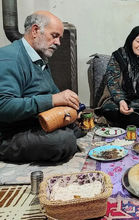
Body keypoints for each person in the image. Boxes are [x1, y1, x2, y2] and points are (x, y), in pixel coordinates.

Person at [0, 11, 84, 163]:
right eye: (54, 36)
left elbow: (52, 92)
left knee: (77, 127)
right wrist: (52, 100)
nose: (58, 42)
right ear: (35, 31)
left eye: (60, 38)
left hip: (38, 123)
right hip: (11, 135)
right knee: (63, 141)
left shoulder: (40, 59)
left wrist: (68, 107)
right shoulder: (9, 58)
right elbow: (4, 107)